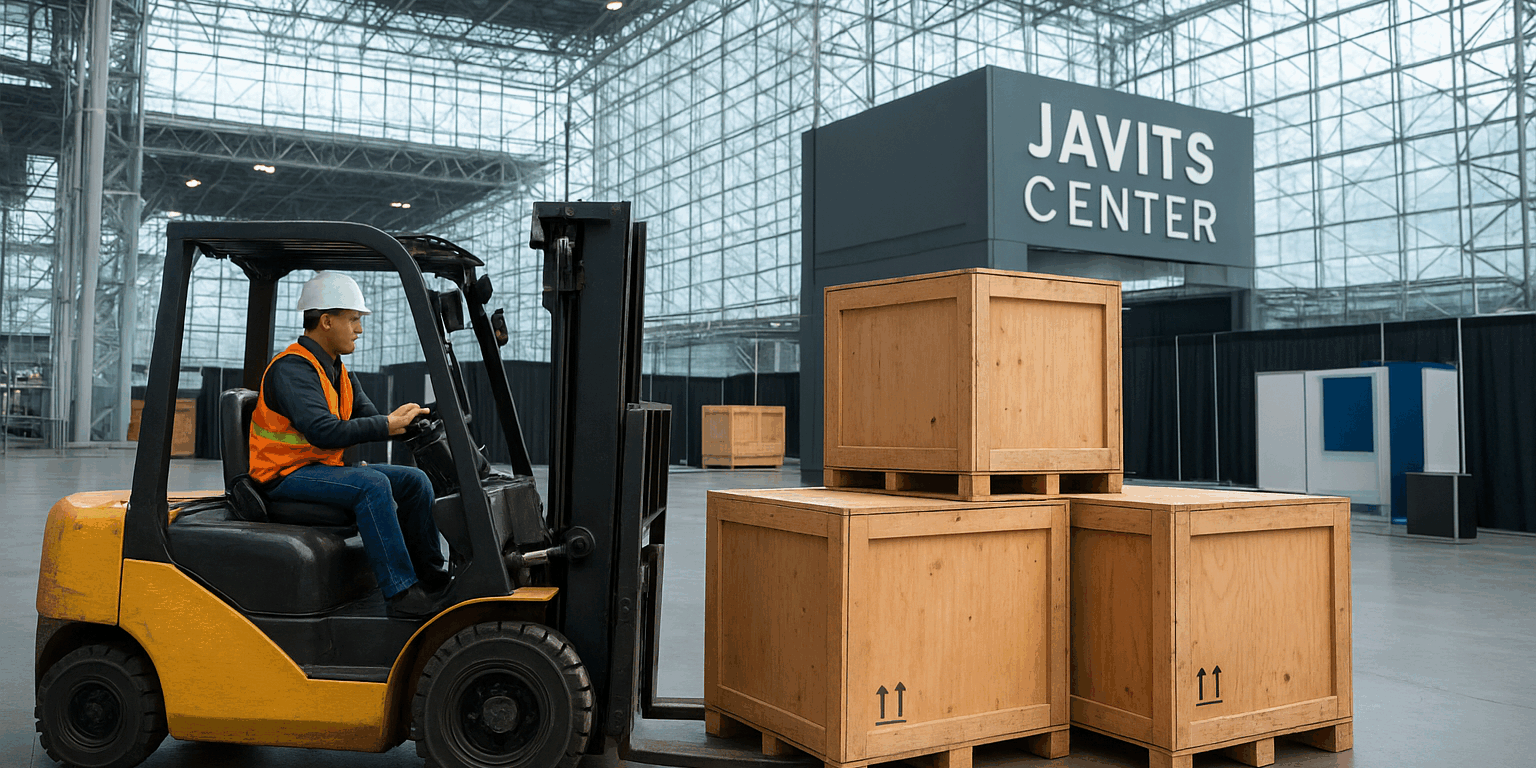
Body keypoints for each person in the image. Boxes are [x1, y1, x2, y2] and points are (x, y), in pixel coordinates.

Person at [248, 270, 448, 619]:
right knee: (373, 484)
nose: (359, 329)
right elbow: (324, 431)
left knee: (415, 482)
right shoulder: (292, 370)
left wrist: (407, 421)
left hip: (318, 470)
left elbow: (370, 419)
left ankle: (431, 578)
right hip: (282, 477)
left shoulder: (339, 372)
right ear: (326, 321)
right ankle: (401, 593)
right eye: (354, 319)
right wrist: (385, 423)